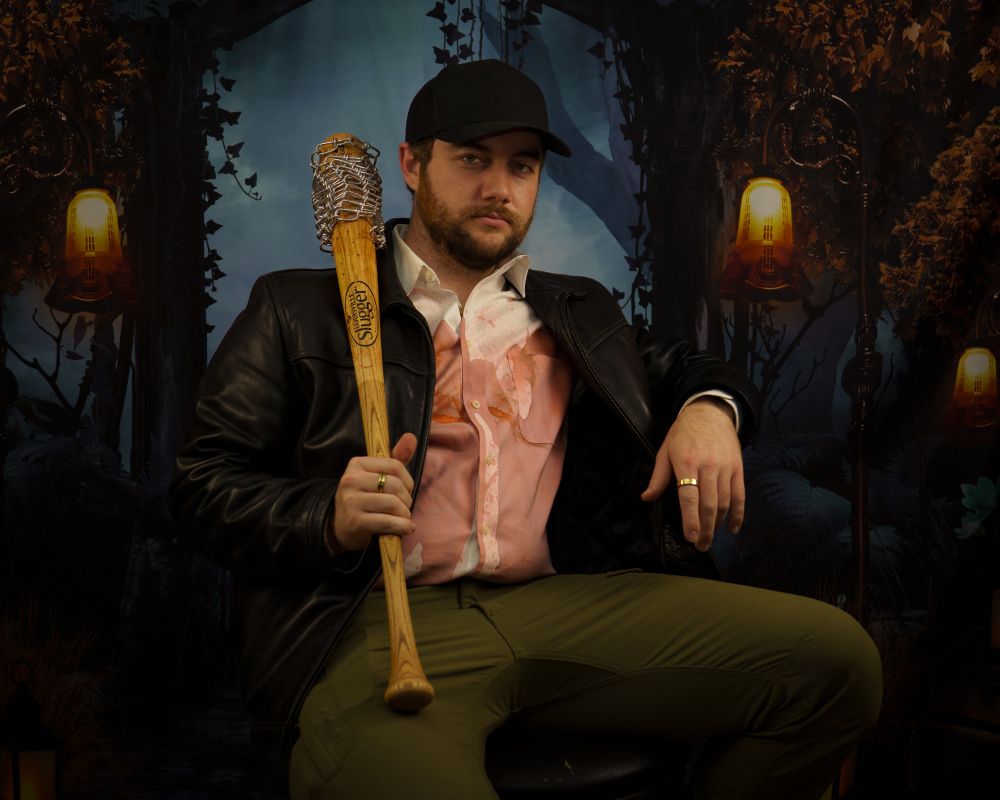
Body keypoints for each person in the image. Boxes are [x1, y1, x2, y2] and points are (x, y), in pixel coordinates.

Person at [169, 59, 882, 799]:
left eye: (522, 165)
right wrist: (324, 516)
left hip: (565, 607)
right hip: (379, 623)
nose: (498, 187)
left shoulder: (579, 311)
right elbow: (199, 489)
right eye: (472, 159)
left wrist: (708, 409)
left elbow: (686, 367)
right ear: (413, 165)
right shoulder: (296, 309)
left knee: (838, 667)